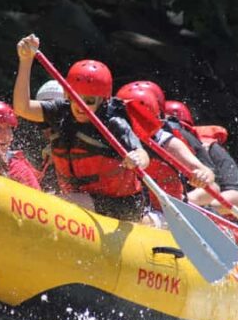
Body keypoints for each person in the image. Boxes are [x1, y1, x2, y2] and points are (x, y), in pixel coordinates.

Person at [13, 34, 150, 221]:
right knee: (60, 200)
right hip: (81, 198)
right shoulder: (61, 111)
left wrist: (137, 159)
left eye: (89, 101)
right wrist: (26, 61)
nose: (80, 106)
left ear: (103, 100)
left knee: (58, 202)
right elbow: (22, 108)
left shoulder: (113, 122)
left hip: (122, 205)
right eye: (75, 98)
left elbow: (142, 155)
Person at [115, 83, 215, 226]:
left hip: (165, 213)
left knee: (142, 221)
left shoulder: (167, 143)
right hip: (125, 204)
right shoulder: (112, 134)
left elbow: (205, 173)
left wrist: (202, 176)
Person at [163, 100, 238, 212]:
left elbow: (235, 199)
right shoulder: (160, 145)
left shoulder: (212, 149)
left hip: (214, 215)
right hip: (175, 207)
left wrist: (186, 202)